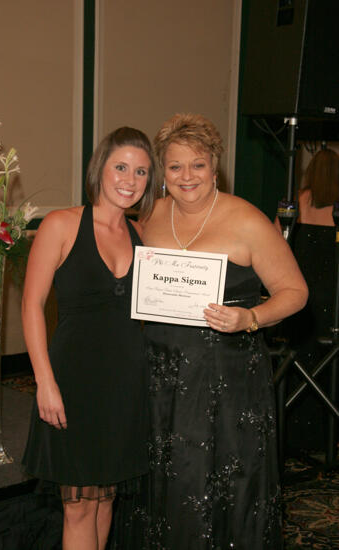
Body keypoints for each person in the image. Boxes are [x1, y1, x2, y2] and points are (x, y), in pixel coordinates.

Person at [141, 113, 308, 549]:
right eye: (175, 167)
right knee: (170, 474)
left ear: (215, 167)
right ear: (163, 172)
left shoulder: (247, 219)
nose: (186, 176)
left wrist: (250, 318)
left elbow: (295, 292)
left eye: (197, 165)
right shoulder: (151, 216)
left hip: (227, 378)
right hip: (163, 375)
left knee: (223, 478)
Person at [22, 127, 157, 550]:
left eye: (140, 172)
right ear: (100, 167)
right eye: (121, 167)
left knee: (106, 499)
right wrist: (45, 382)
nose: (129, 180)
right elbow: (31, 305)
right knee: (79, 504)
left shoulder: (142, 236)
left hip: (125, 381)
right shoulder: (61, 224)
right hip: (73, 378)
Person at [278, 148, 339, 453]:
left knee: (298, 357)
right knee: (326, 361)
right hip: (331, 292)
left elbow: (276, 239)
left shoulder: (297, 202)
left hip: (298, 289)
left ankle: (293, 434)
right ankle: (323, 437)